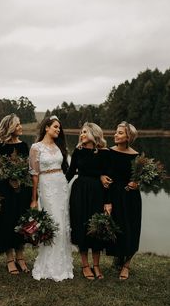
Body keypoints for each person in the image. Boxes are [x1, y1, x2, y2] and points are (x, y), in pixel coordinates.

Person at [29, 115, 74, 281]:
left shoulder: (59, 146)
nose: (58, 130)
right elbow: (34, 175)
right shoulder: (36, 147)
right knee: (52, 223)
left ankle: (62, 265)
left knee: (62, 223)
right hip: (46, 186)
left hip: (61, 186)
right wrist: (34, 199)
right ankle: (48, 266)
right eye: (55, 126)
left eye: (59, 128)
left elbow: (66, 168)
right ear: (46, 127)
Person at [66, 122, 112, 280]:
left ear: (94, 133)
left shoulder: (105, 153)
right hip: (79, 192)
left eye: (85, 132)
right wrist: (56, 186)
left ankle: (97, 266)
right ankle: (85, 265)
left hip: (97, 193)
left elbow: (107, 178)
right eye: (81, 132)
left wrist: (107, 201)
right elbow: (70, 173)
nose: (82, 134)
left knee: (96, 228)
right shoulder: (78, 151)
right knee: (81, 226)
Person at [0, 114, 31, 274]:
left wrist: (20, 179)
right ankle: (9, 258)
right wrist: (8, 177)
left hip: (22, 190)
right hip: (5, 191)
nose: (21, 127)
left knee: (21, 220)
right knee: (7, 221)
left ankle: (20, 257)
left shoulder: (24, 146)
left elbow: (28, 168)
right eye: (18, 124)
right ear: (10, 128)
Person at [101, 121, 141, 280]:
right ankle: (118, 258)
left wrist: (137, 183)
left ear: (128, 137)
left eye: (120, 133)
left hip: (131, 197)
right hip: (114, 195)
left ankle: (126, 265)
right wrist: (101, 176)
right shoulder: (108, 153)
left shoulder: (136, 156)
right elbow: (101, 171)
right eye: (116, 132)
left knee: (131, 228)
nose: (115, 135)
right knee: (117, 228)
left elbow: (139, 179)